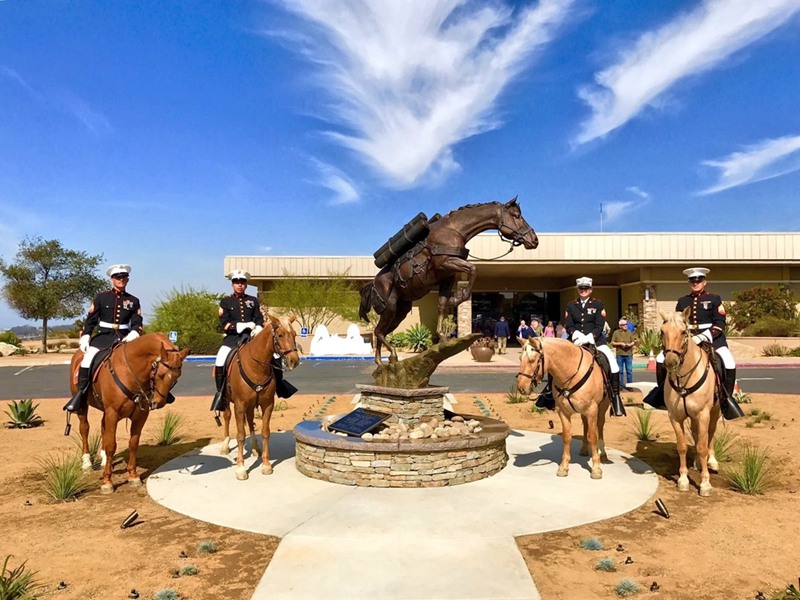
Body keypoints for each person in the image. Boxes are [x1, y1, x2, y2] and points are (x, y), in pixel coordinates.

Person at [645, 267, 743, 419]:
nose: (695, 283)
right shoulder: (683, 301)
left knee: (728, 361)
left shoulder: (714, 299)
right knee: (660, 359)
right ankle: (662, 394)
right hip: (686, 338)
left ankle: (726, 398)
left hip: (712, 339)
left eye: (698, 281)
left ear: (704, 282)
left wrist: (703, 337)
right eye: (692, 281)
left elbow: (719, 324)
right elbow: (676, 323)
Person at [209, 270, 296, 413]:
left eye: (242, 282)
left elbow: (259, 319)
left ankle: (280, 386)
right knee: (220, 360)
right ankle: (221, 394)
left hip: (253, 337)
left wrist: (256, 326)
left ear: (246, 285)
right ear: (232, 285)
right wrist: (240, 326)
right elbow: (224, 323)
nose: (240, 285)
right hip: (232, 339)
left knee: (274, 357)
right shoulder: (226, 301)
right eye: (237, 282)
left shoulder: (253, 301)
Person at [64, 264, 144, 413]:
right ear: (112, 279)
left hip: (125, 338)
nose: (121, 280)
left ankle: (152, 394)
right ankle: (80, 394)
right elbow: (91, 319)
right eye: (118, 277)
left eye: (124, 277)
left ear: (128, 280)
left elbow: (137, 321)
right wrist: (86, 335)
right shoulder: (101, 297)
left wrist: (135, 332)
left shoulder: (133, 300)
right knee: (87, 360)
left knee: (145, 361)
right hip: (103, 337)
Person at [555, 276, 626, 417]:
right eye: (581, 288)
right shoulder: (571, 305)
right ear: (578, 289)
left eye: (586, 288)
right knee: (556, 361)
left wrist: (589, 337)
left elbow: (600, 325)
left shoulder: (598, 304)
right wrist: (575, 334)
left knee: (613, 364)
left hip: (596, 342)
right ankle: (549, 397)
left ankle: (615, 398)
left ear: (590, 289)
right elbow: (568, 324)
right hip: (575, 341)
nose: (583, 291)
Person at [611, 318, 635, 391]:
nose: (625, 326)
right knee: (620, 371)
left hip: (628, 354)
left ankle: (630, 386)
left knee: (629, 371)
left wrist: (629, 344)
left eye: (626, 324)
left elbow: (633, 342)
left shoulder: (629, 332)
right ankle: (620, 386)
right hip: (620, 354)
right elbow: (612, 342)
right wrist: (620, 344)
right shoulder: (616, 333)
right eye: (624, 325)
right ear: (620, 326)